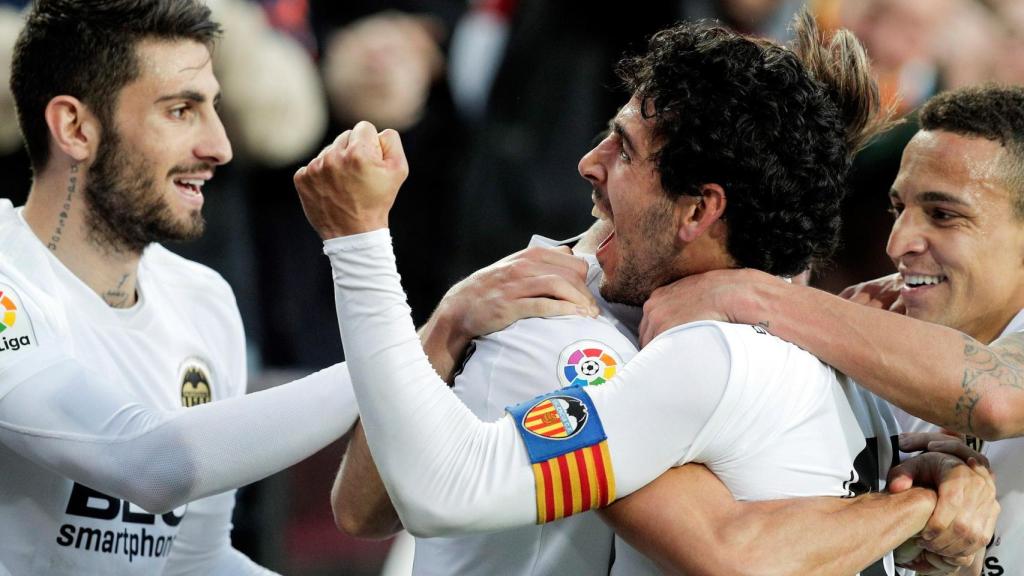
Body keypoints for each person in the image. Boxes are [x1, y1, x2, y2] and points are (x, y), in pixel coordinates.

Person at [296, 12, 995, 575]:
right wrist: (443, 329)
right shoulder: (542, 290)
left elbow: (730, 551)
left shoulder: (613, 343)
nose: (587, 162)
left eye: (624, 149)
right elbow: (363, 507)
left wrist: (359, 244)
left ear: (699, 211)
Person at [0, 1, 600, 573]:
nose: (219, 146)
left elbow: (195, 561)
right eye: (180, 110)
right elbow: (147, 461)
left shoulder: (202, 298)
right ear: (74, 127)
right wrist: (431, 339)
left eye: (215, 107)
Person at [633, 83, 1024, 575]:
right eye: (897, 209)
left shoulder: (831, 322)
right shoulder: (875, 343)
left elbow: (996, 397)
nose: (897, 243)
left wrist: (757, 295)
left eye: (944, 215)